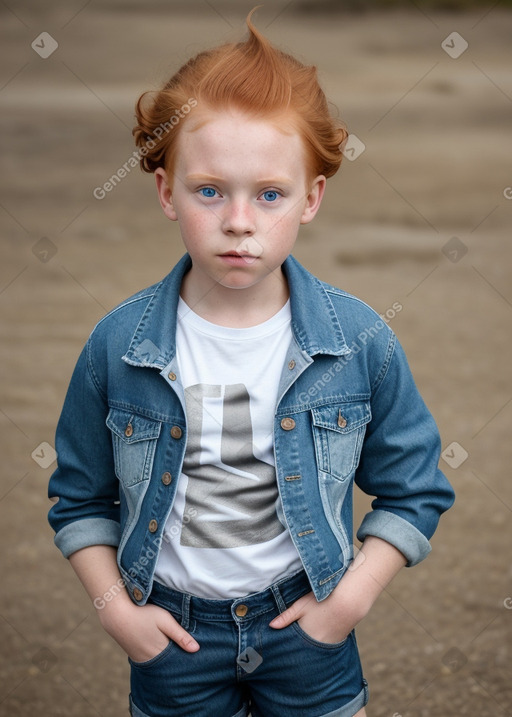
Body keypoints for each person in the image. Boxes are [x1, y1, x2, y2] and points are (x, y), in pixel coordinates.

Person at [48, 9, 455, 717]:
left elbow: (414, 487)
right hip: (172, 639)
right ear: (167, 191)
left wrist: (347, 602)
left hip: (308, 630)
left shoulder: (358, 340)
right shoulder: (119, 345)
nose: (240, 220)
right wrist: (118, 613)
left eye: (270, 193)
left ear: (311, 198)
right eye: (210, 190)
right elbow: (80, 499)